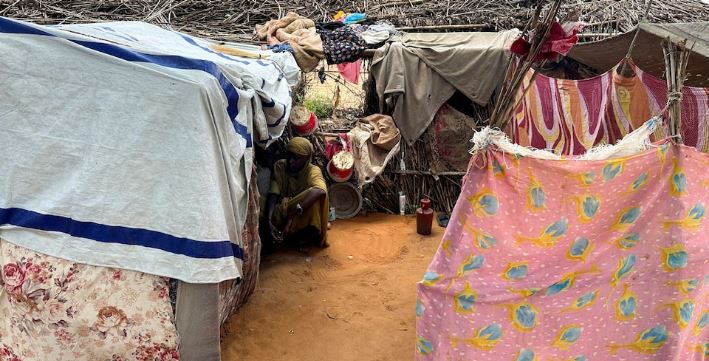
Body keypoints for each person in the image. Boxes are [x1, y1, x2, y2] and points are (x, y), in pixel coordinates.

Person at [265, 137, 329, 252]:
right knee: (259, 203)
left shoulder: (313, 171)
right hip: (283, 210)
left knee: (314, 200)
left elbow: (320, 190)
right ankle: (273, 230)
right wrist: (268, 220)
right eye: (289, 156)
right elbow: (273, 194)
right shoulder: (280, 166)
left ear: (306, 159)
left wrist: (294, 212)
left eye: (296, 158)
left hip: (299, 213)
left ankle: (303, 237)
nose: (290, 161)